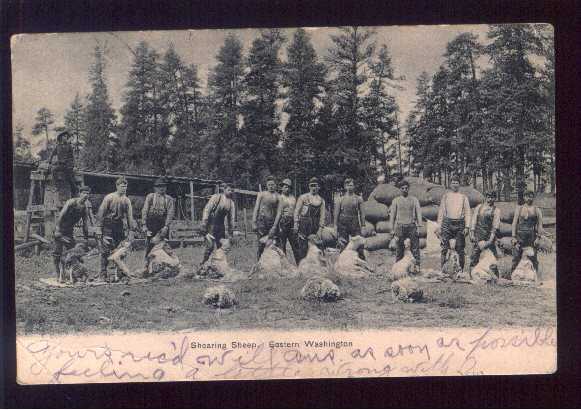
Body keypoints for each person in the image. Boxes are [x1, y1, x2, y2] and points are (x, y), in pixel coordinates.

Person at [95, 176, 137, 281]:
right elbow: (101, 213)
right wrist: (99, 228)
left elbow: (129, 217)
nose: (124, 189)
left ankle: (120, 273)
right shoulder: (109, 197)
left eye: (125, 187)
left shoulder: (126, 200)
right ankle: (102, 274)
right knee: (105, 251)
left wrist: (131, 231)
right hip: (108, 225)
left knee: (120, 250)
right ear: (117, 186)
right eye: (122, 186)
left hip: (119, 226)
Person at [52, 185, 92, 282]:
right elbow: (60, 216)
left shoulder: (84, 208)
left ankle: (71, 274)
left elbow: (85, 223)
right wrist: (57, 230)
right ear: (80, 193)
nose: (86, 195)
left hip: (69, 231)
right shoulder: (71, 202)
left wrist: (86, 237)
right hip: (60, 229)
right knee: (57, 253)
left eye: (87, 193)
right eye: (84, 193)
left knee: (72, 253)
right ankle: (58, 273)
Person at [436, 176, 471, 272]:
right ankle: (443, 270)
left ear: (459, 184)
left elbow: (468, 212)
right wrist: (439, 226)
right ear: (450, 184)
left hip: (460, 224)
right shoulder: (446, 196)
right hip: (447, 223)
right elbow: (441, 212)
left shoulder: (463, 197)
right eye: (453, 182)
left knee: (460, 247)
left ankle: (461, 270)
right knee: (445, 247)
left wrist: (467, 227)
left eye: (457, 182)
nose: (455, 184)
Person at [141, 177, 175, 272]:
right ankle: (146, 266)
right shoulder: (150, 197)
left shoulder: (169, 199)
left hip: (162, 224)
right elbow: (144, 210)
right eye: (159, 187)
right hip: (151, 223)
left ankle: (167, 265)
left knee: (163, 245)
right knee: (150, 245)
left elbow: (170, 214)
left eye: (163, 186)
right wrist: (144, 225)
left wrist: (166, 227)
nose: (162, 189)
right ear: (155, 188)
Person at [388, 179, 423, 272]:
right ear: (400, 189)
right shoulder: (396, 201)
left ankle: (416, 267)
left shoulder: (414, 199)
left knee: (415, 247)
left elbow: (418, 213)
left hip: (411, 226)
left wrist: (419, 226)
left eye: (406, 188)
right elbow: (392, 216)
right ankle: (398, 267)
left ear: (409, 189)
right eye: (402, 188)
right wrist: (391, 228)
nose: (404, 190)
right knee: (399, 248)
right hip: (400, 227)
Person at [200, 182, 236, 266]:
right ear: (224, 189)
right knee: (210, 246)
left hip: (221, 226)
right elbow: (207, 209)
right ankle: (203, 263)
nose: (230, 192)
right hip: (211, 224)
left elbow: (231, 219)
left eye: (232, 191)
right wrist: (204, 222)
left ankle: (218, 265)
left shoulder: (231, 203)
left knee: (221, 247)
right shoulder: (216, 197)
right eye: (229, 190)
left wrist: (231, 231)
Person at [293, 177, 326, 264]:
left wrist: (320, 229)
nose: (314, 188)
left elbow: (322, 216)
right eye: (312, 186)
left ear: (318, 187)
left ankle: (316, 266)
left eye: (315, 186)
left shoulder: (321, 200)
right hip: (304, 224)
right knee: (302, 246)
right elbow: (296, 211)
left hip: (315, 225)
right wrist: (296, 224)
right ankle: (301, 267)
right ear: (309, 186)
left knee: (316, 246)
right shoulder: (303, 197)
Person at [511, 190, 544, 277]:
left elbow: (540, 225)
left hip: (531, 236)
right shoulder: (519, 208)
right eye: (527, 196)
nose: (529, 198)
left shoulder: (537, 210)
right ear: (524, 197)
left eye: (531, 196)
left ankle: (535, 276)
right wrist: (513, 237)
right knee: (516, 257)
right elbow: (514, 223)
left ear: (533, 197)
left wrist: (538, 238)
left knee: (533, 257)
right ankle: (513, 276)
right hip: (520, 236)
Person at [469, 190, 501, 277]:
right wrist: (472, 233)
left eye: (492, 197)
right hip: (478, 235)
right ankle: (473, 275)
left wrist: (490, 240)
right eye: (488, 197)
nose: (490, 199)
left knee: (493, 256)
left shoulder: (496, 211)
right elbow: (474, 221)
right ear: (485, 197)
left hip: (489, 236)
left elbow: (495, 226)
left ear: (495, 198)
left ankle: (495, 276)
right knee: (474, 255)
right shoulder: (479, 207)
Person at [334, 178, 365, 259]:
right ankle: (343, 262)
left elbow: (362, 213)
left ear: (354, 186)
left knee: (359, 244)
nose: (350, 187)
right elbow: (336, 214)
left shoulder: (358, 199)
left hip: (354, 223)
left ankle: (361, 260)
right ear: (345, 187)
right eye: (348, 185)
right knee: (343, 244)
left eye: (351, 185)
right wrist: (335, 225)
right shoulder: (340, 199)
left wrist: (363, 225)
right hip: (343, 224)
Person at [252, 176, 279, 260]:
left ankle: (271, 264)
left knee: (272, 243)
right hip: (262, 222)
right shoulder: (262, 194)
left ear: (275, 185)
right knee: (261, 243)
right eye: (269, 184)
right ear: (266, 185)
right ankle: (259, 262)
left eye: (273, 184)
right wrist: (254, 222)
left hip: (272, 222)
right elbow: (256, 208)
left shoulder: (278, 196)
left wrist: (276, 225)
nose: (271, 186)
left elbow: (278, 212)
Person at [272, 178, 299, 261]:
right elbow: (277, 212)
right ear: (282, 187)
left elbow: (296, 211)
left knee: (295, 245)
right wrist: (276, 226)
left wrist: (296, 223)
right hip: (282, 222)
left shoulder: (293, 198)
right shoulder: (279, 198)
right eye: (285, 186)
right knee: (282, 245)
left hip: (292, 221)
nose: (287, 188)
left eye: (288, 187)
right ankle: (284, 266)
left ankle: (300, 265)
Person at [48, 131, 77, 198]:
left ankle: (74, 190)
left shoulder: (69, 146)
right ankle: (57, 186)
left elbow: (73, 157)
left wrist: (74, 166)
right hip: (61, 165)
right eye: (64, 136)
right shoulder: (57, 146)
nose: (65, 138)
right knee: (54, 170)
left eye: (66, 137)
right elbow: (52, 154)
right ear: (61, 138)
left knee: (70, 178)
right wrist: (49, 162)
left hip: (68, 165)